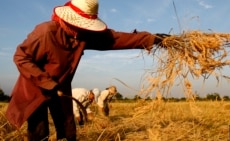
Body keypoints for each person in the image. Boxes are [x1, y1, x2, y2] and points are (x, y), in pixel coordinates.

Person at [5, 0, 168, 140]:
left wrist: (152, 39)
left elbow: (116, 38)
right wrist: (47, 83)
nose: (81, 30)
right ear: (67, 20)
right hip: (35, 87)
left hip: (61, 88)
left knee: (68, 130)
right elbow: (21, 57)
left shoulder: (83, 35)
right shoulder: (45, 32)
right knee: (39, 132)